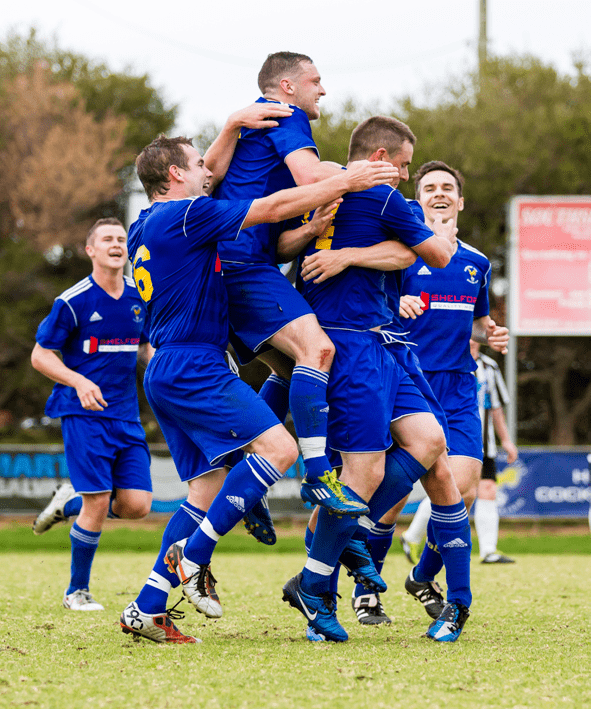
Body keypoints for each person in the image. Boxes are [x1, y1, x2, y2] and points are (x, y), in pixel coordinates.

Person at [119, 134, 397, 643]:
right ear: (175, 177)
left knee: (203, 492)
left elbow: (256, 238)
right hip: (193, 363)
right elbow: (270, 206)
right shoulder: (185, 214)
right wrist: (347, 180)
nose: (210, 171)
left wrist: (305, 229)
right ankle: (195, 557)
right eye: (199, 164)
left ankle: (146, 607)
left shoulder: (141, 226)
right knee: (279, 447)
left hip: (164, 367)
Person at [282, 117, 472, 644]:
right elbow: (436, 253)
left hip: (380, 342)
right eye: (408, 167)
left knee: (431, 444)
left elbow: (291, 246)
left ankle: (338, 546)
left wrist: (346, 254)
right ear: (383, 157)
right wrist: (421, 230)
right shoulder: (387, 198)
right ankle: (317, 584)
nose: (410, 177)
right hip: (353, 346)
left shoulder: (318, 192)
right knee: (363, 477)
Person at [213, 51, 367, 516]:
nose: (323, 89)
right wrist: (369, 176)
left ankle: (250, 471)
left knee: (289, 371)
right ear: (286, 86)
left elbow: (278, 246)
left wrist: (309, 226)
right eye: (316, 80)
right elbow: (310, 175)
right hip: (241, 267)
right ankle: (319, 477)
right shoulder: (287, 117)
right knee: (318, 352)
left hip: (241, 264)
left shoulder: (256, 131)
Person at [31, 218, 153, 611]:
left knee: (137, 505)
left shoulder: (140, 298)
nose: (116, 244)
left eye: (121, 239)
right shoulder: (73, 300)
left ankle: (70, 502)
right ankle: (76, 592)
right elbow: (40, 355)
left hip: (126, 416)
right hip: (83, 415)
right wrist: (79, 382)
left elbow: (148, 350)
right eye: (107, 239)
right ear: (91, 250)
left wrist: (169, 374)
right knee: (98, 501)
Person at [471, 339, 518, 563]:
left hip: (484, 444)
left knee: (488, 489)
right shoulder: (447, 362)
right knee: (452, 492)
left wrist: (506, 440)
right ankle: (413, 536)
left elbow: (496, 408)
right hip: (454, 441)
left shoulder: (489, 366)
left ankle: (489, 551)